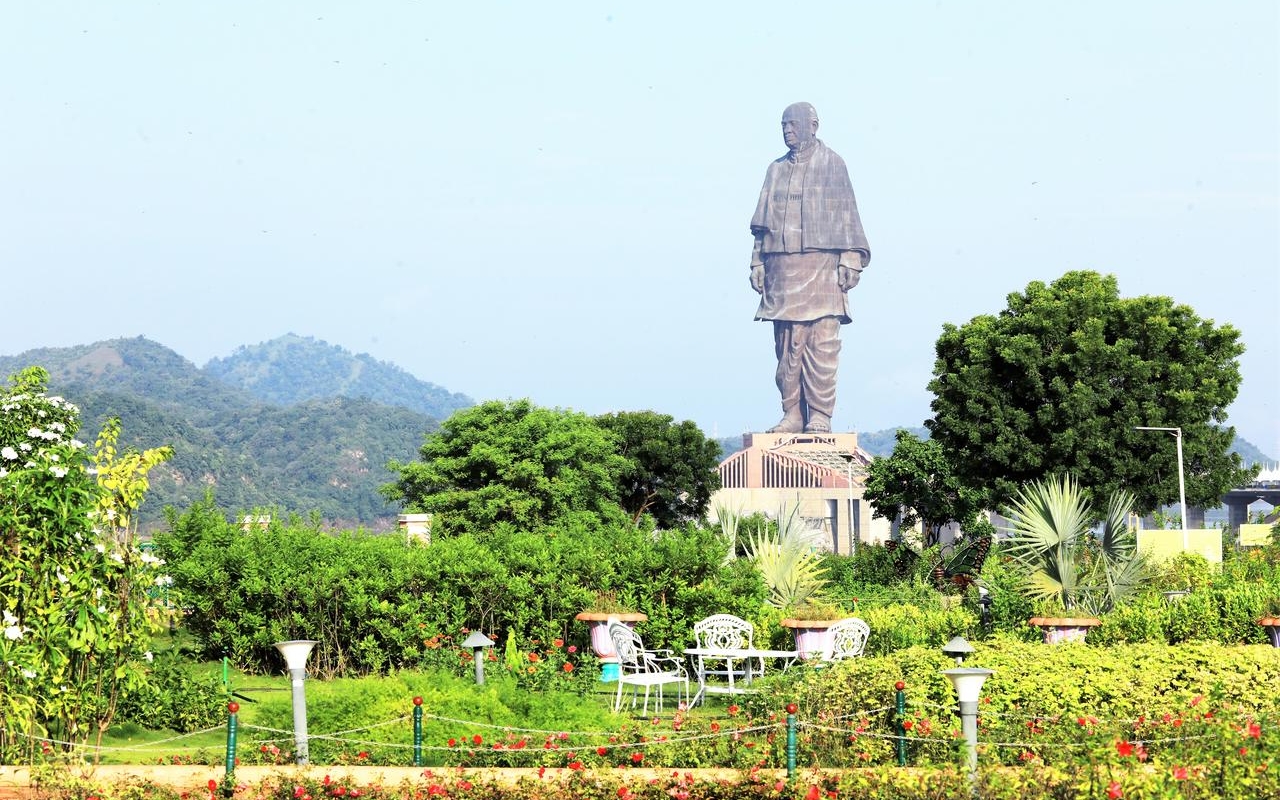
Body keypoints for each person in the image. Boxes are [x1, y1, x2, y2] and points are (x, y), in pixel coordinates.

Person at [749, 102, 870, 434]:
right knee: (788, 345)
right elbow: (760, 227)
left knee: (822, 343)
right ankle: (792, 413)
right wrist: (757, 261)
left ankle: (820, 414)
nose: (787, 130)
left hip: (823, 267)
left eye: (793, 124)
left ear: (812, 126)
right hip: (782, 269)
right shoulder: (775, 170)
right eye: (783, 125)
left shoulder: (833, 163)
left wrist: (850, 257)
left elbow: (848, 214)